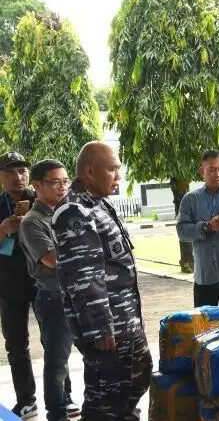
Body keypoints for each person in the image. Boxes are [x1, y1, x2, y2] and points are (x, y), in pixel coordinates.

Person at [53, 142, 152, 420]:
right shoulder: (74, 211)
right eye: (112, 169)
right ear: (89, 172)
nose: (118, 176)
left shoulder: (97, 203)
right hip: (108, 327)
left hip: (125, 320)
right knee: (105, 401)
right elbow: (84, 275)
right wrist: (100, 327)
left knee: (134, 381)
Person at [19, 160, 80, 421]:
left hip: (79, 294)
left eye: (66, 181)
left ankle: (74, 402)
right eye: (55, 182)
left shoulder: (68, 213)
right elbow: (52, 259)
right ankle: (56, 413)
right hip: (54, 297)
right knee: (57, 361)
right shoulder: (32, 222)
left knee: (92, 354)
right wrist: (83, 246)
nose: (62, 187)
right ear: (37, 185)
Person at [177, 150, 219, 307]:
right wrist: (207, 226)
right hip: (205, 278)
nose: (217, 174)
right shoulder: (190, 199)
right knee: (204, 322)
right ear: (202, 171)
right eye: (212, 169)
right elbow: (182, 232)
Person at [0, 152, 39, 419]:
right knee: (16, 345)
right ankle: (26, 400)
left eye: (22, 171)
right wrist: (3, 230)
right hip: (9, 285)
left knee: (55, 340)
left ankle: (64, 396)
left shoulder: (42, 201)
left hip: (43, 282)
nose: (18, 177)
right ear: (1, 177)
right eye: (10, 172)